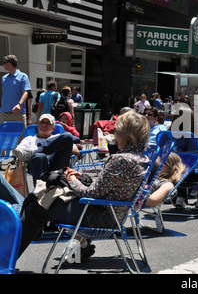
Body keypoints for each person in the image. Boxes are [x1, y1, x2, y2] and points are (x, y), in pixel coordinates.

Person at [17, 111, 151, 258]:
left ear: (125, 135)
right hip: (112, 215)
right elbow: (109, 187)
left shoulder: (121, 160)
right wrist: (80, 177)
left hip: (97, 217)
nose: (114, 134)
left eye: (116, 131)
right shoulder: (142, 158)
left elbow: (90, 194)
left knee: (35, 207)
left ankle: (6, 259)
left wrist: (72, 180)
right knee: (39, 202)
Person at [14, 114, 80, 185]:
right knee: (39, 156)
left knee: (68, 136)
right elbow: (19, 151)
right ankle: (39, 191)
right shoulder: (29, 139)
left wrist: (56, 147)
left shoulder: (58, 138)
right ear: (38, 126)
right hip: (37, 163)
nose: (44, 125)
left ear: (53, 128)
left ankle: (40, 149)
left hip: (55, 163)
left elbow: (76, 151)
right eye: (42, 122)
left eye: (47, 123)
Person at [1, 54, 31, 126]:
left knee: (20, 136)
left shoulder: (23, 76)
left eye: (4, 62)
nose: (3, 65)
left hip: (18, 113)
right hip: (3, 114)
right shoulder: (4, 78)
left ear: (9, 63)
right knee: (3, 137)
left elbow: (26, 92)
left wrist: (19, 104)